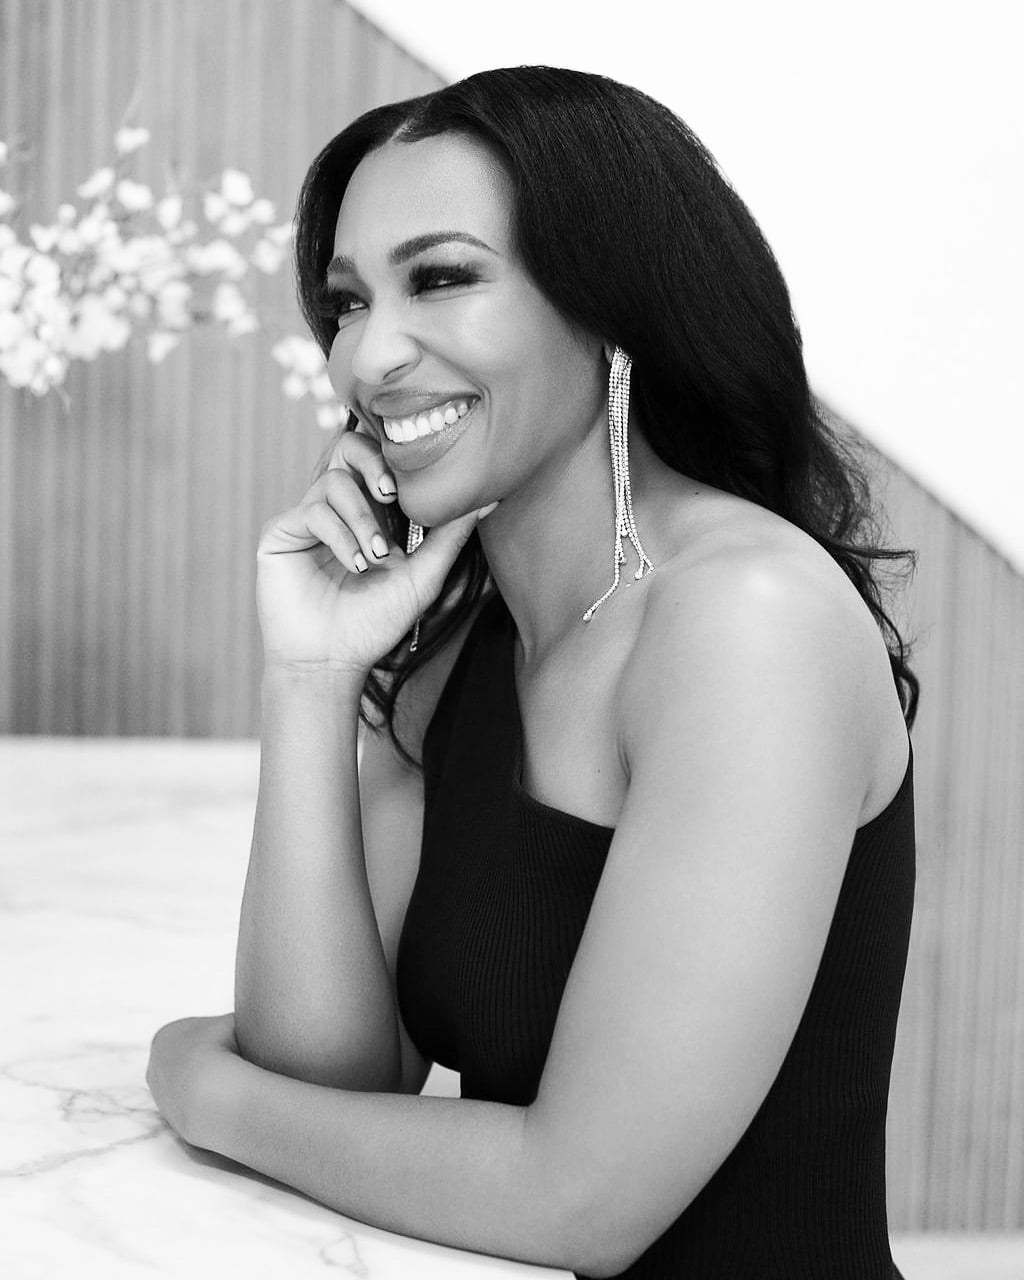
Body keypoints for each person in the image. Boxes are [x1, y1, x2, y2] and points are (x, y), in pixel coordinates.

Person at [146, 66, 919, 1279]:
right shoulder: (465, 637)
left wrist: (203, 1086)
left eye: (441, 278)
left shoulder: (745, 622)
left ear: (607, 309)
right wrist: (309, 675)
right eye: (346, 303)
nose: (367, 355)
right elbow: (341, 1077)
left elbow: (581, 1201)